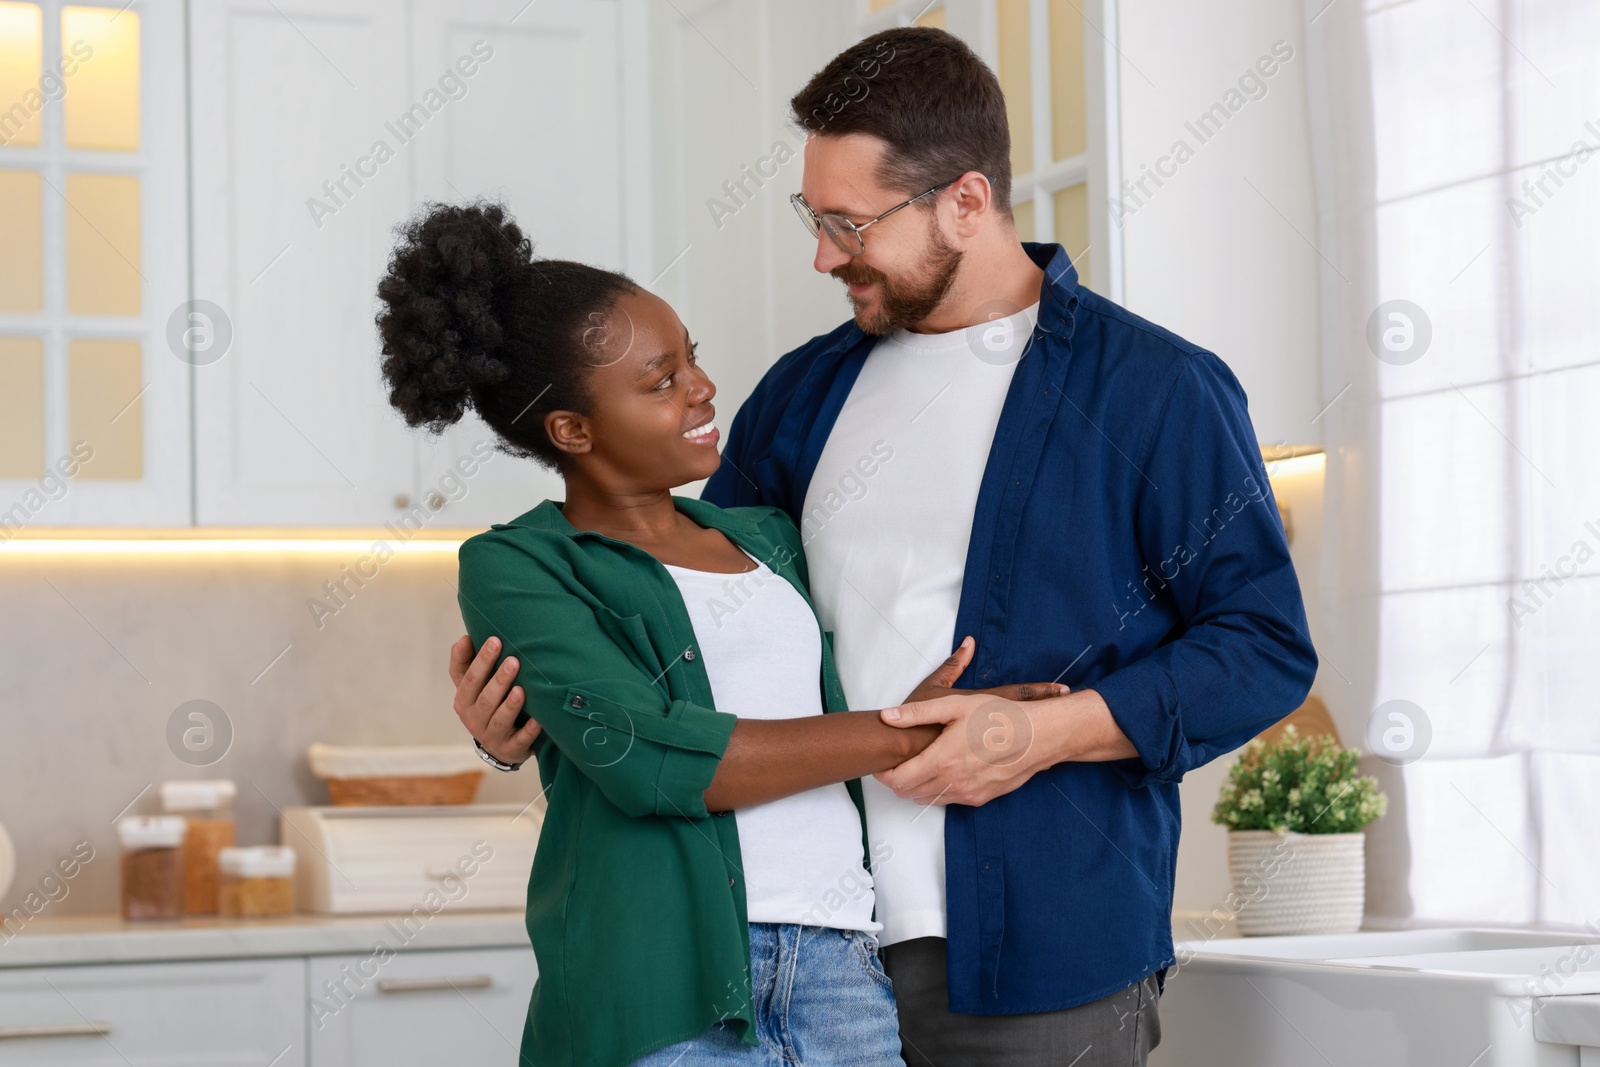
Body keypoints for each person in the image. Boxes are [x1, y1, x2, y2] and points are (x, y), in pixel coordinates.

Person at [453, 25, 1318, 1067]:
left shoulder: (1154, 392)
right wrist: (533, 720)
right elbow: (690, 641)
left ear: (963, 199)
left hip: (1044, 953)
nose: (822, 254)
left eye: (847, 222)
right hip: (797, 953)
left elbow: (1263, 648)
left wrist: (1046, 732)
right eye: (811, 218)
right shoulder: (801, 396)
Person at [375, 200, 1064, 1067]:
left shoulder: (765, 537)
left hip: (840, 968)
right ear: (573, 430)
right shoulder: (518, 566)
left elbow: (805, 706)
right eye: (660, 382)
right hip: (660, 986)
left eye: (691, 357)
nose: (701, 388)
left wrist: (905, 712)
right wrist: (902, 732)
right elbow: (654, 758)